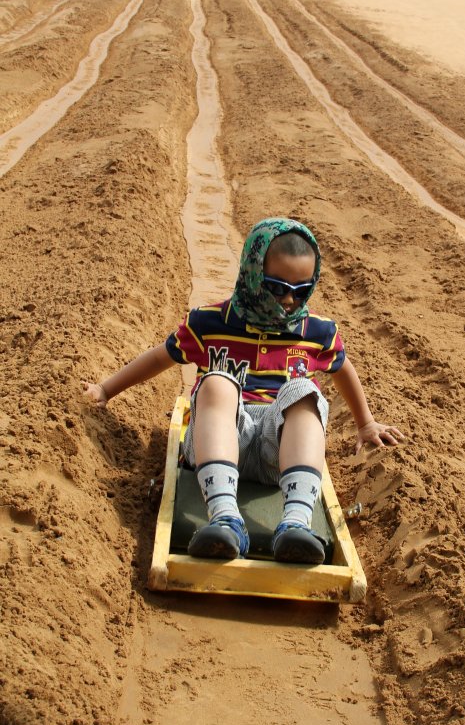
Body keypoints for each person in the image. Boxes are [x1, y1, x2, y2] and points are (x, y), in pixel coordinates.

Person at [83, 218, 403, 565]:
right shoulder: (210, 322)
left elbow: (342, 368)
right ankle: (225, 518)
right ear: (252, 275)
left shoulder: (316, 331)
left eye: (301, 289)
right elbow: (162, 356)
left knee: (304, 391)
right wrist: (106, 389)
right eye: (277, 287)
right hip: (218, 438)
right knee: (218, 381)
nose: (289, 300)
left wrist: (365, 422)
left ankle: (295, 524)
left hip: (277, 454)